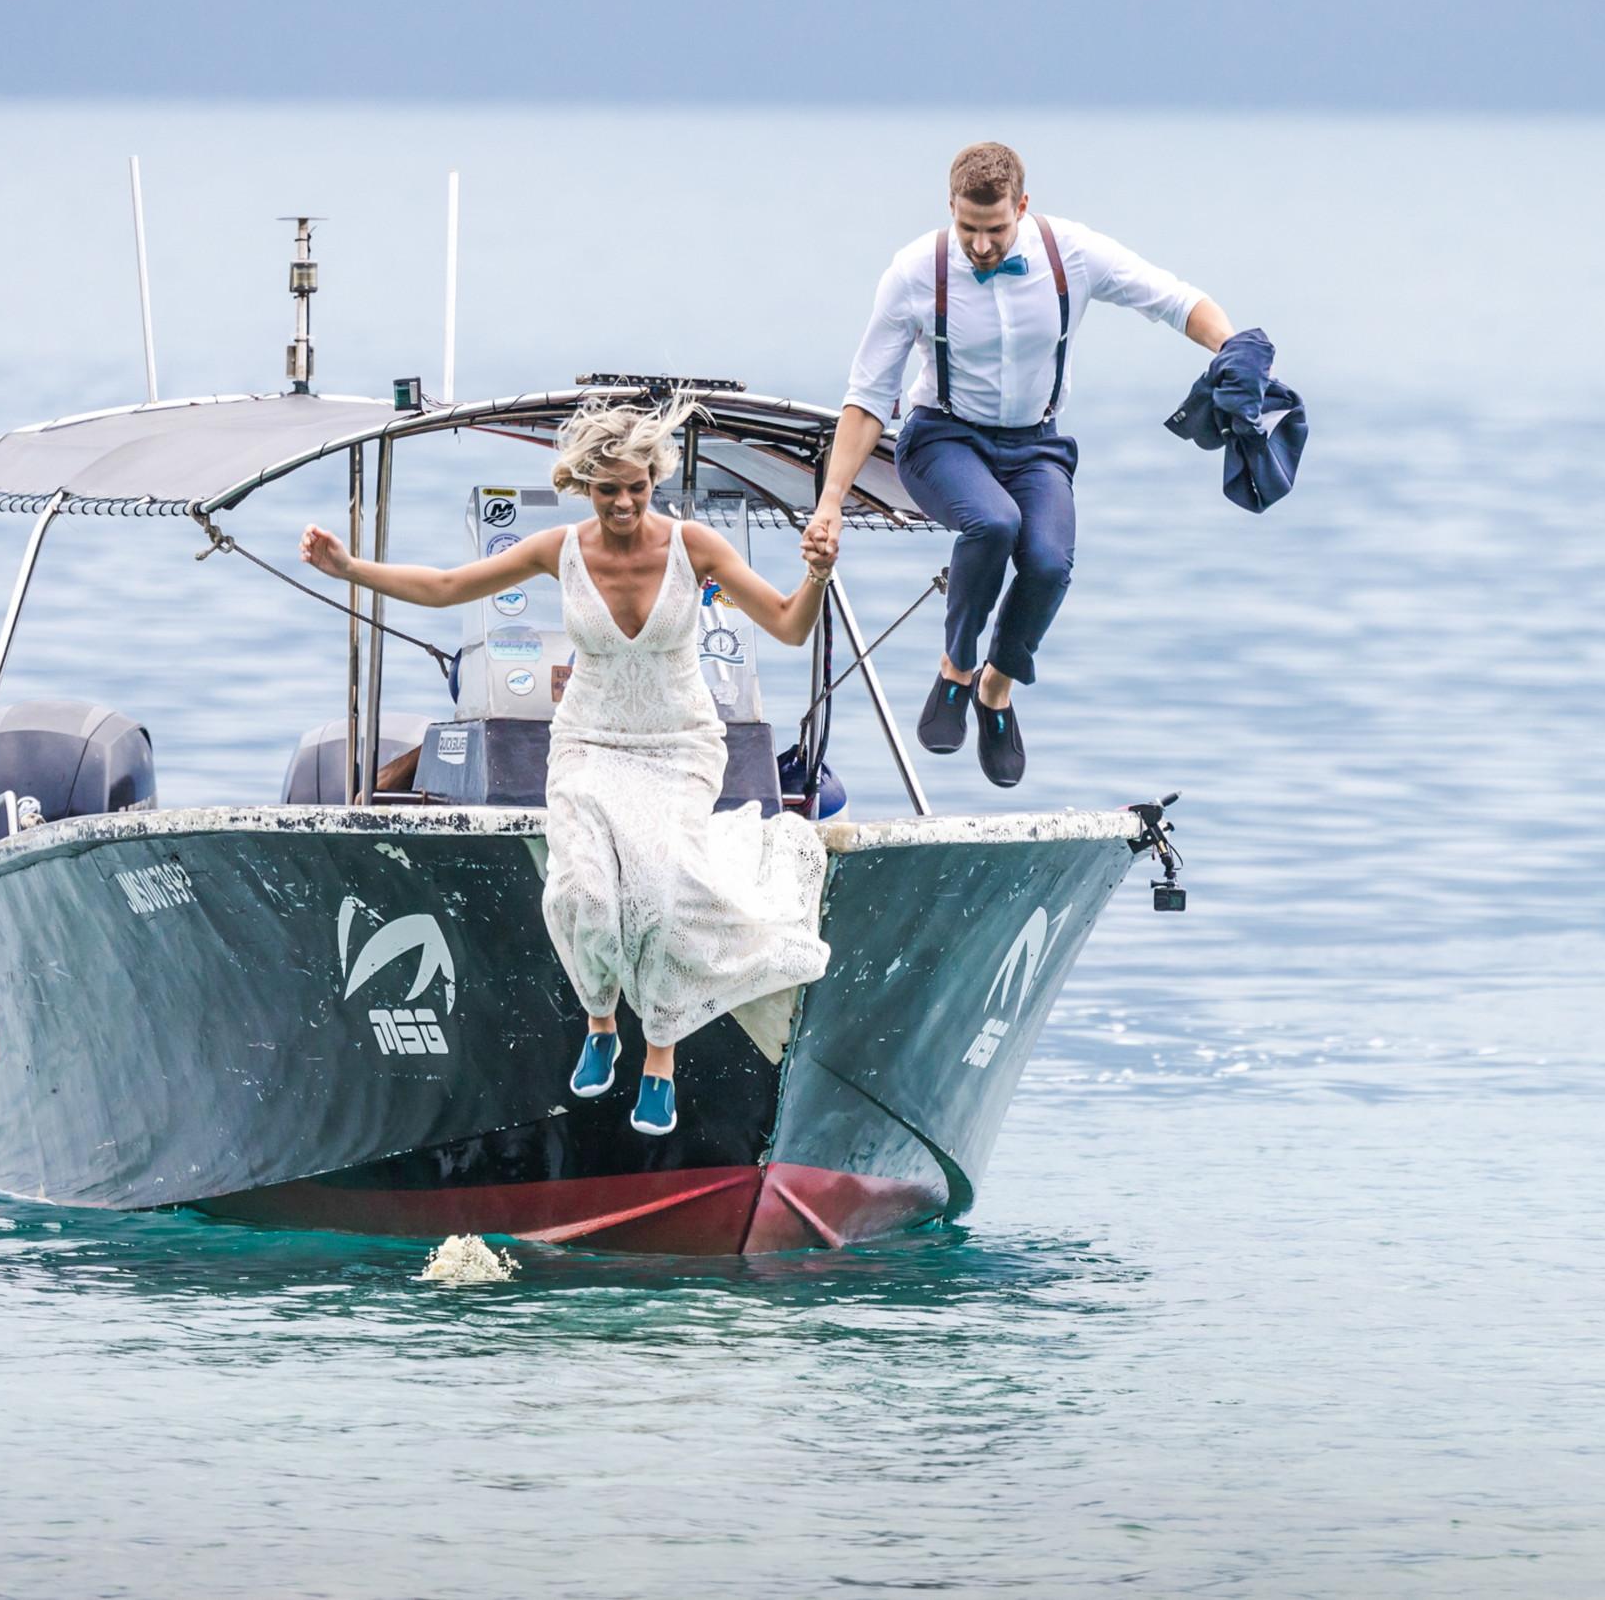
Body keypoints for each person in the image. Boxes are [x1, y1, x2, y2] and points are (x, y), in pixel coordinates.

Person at [300, 396, 837, 1137]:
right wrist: (349, 568)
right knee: (584, 886)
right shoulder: (561, 549)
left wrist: (814, 575)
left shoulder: (696, 547)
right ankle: (601, 1022)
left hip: (679, 744)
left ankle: (659, 1058)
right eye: (607, 488)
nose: (623, 502)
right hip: (589, 741)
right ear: (584, 484)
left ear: (655, 478)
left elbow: (786, 622)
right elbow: (449, 586)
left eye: (636, 486)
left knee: (664, 886)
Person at [807, 141, 1238, 786]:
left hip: (1036, 444)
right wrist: (832, 503)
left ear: (1024, 207)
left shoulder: (1073, 253)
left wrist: (1235, 351)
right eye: (968, 229)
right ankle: (956, 668)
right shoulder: (914, 272)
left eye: (997, 229)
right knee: (993, 524)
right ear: (950, 208)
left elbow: (1174, 301)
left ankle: (995, 689)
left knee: (1048, 560)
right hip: (940, 438)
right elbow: (868, 397)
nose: (981, 246)